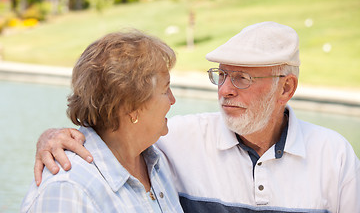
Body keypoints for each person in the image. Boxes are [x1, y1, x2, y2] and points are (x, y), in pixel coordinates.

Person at [33, 22, 360, 212]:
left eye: (242, 78)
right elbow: (109, 127)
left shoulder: (335, 156)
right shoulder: (172, 140)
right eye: (222, 75)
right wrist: (53, 137)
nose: (225, 90)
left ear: (286, 88)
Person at [21, 30, 184, 212]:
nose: (172, 99)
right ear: (132, 106)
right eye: (165, 90)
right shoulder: (68, 189)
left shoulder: (156, 162)